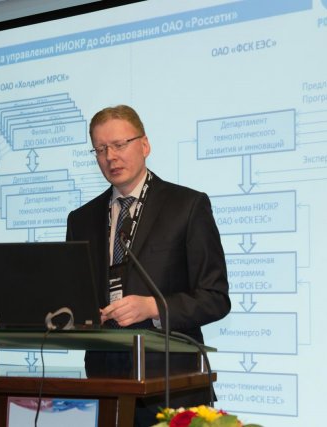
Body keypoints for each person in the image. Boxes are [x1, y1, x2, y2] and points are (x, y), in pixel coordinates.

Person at [66, 105, 230, 426]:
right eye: (100, 149)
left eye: (119, 144)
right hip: (105, 383)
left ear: (144, 145)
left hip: (171, 385)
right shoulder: (81, 219)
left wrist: (153, 307)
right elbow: (75, 297)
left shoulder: (187, 206)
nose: (110, 157)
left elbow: (215, 297)